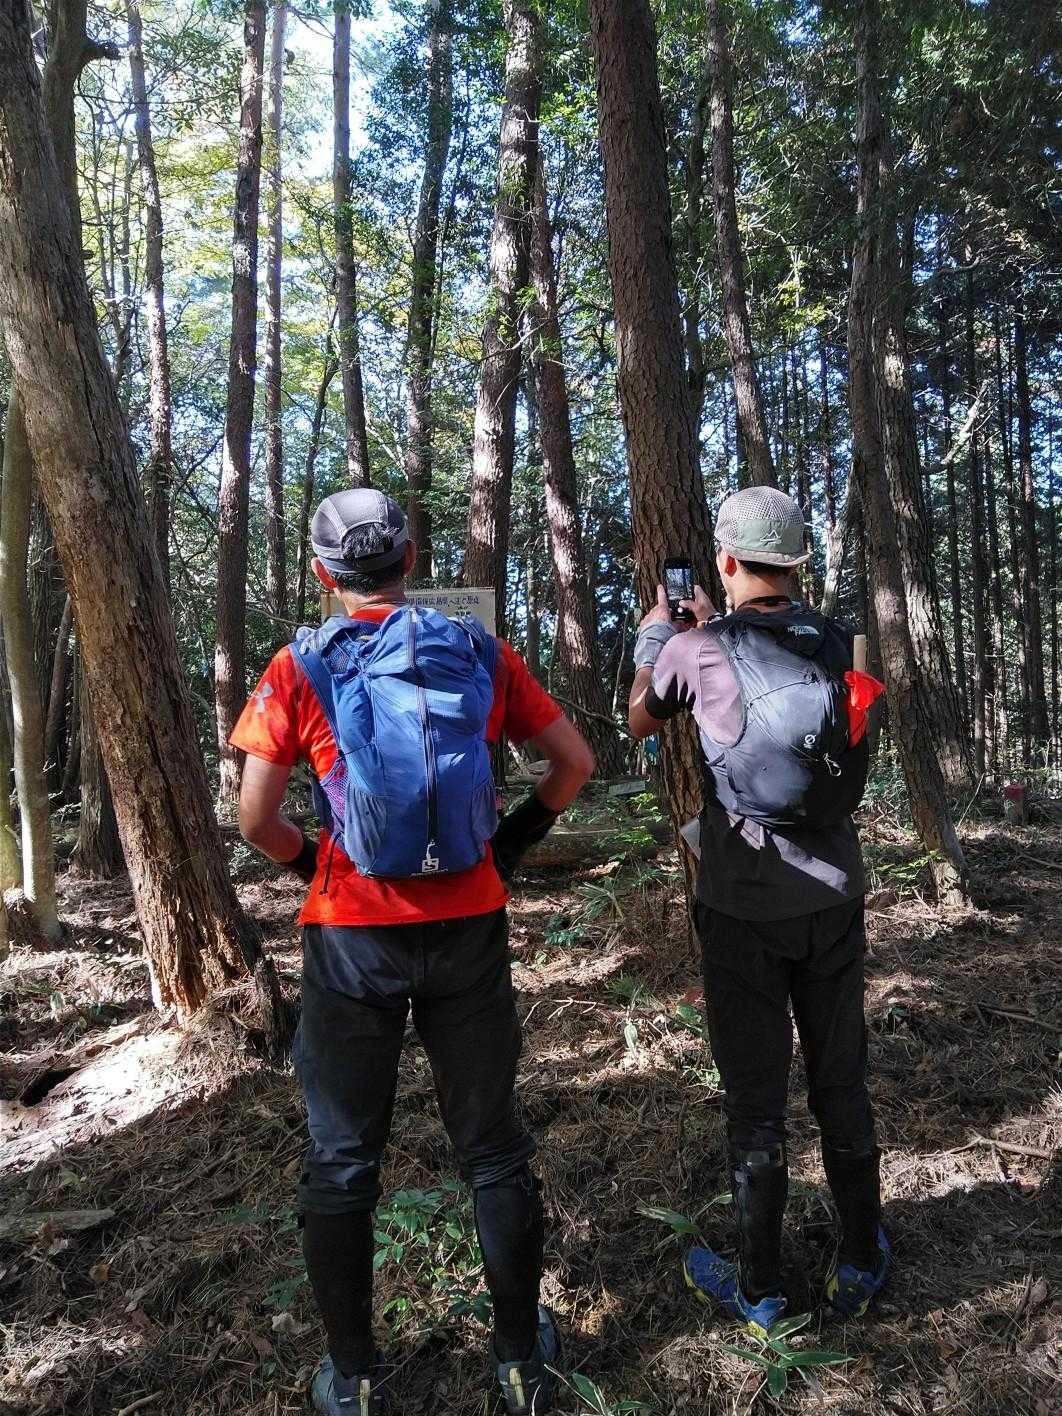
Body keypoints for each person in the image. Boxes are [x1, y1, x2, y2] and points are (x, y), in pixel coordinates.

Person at [232, 489, 594, 1414]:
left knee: (343, 1158)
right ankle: (520, 1364)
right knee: (493, 1147)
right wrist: (507, 846)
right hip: (468, 924)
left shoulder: (299, 665)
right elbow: (575, 763)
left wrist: (318, 864)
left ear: (325, 573)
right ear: (411, 558)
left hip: (351, 936)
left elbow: (255, 819)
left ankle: (353, 1378)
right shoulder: (477, 651)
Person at [627, 486, 889, 1337]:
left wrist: (659, 636)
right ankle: (861, 1258)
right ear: (796, 564)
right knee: (839, 1079)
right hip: (835, 893)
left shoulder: (695, 650)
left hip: (742, 903)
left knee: (755, 1099)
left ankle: (763, 1289)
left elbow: (639, 719)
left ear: (728, 561)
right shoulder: (837, 640)